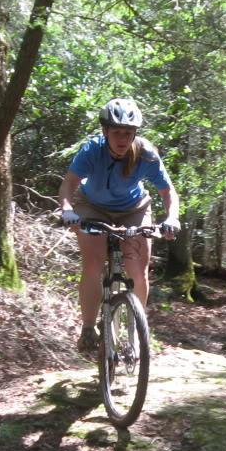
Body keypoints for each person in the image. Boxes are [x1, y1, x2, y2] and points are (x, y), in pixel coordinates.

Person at [59, 98, 181, 353]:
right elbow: (69, 183)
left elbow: (168, 191)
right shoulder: (92, 149)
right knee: (93, 264)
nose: (122, 138)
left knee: (138, 270)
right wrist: (68, 210)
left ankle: (136, 335)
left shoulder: (146, 154)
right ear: (106, 132)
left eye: (128, 132)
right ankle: (88, 328)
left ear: (135, 133)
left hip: (133, 209)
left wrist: (172, 218)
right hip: (92, 206)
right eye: (116, 132)